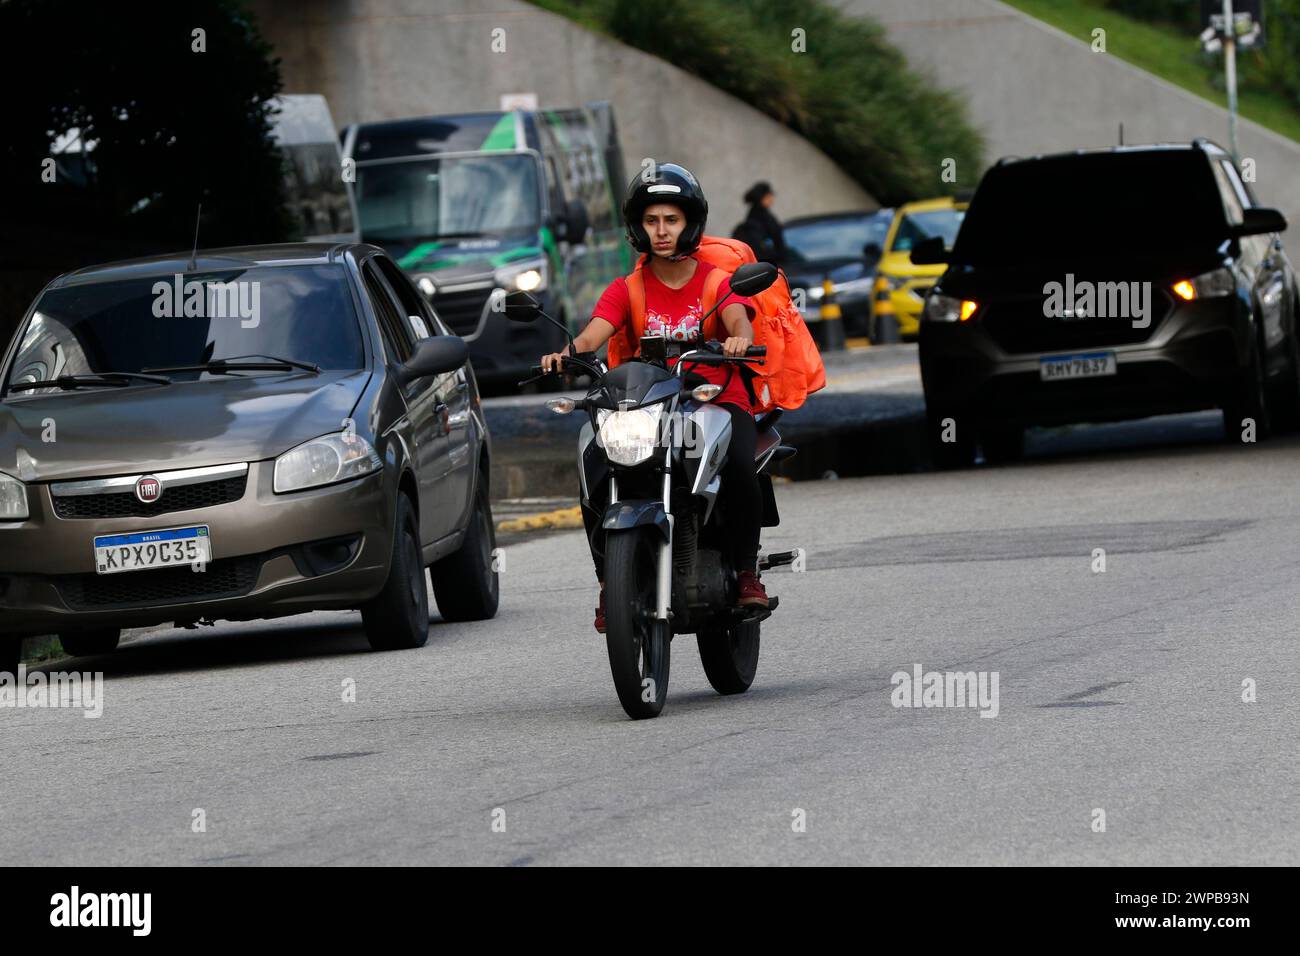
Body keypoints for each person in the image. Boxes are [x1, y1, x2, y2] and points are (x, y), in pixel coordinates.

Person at [540, 163, 769, 633]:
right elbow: (592, 336)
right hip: (649, 405)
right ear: (638, 227)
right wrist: (564, 356)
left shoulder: (714, 282)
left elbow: (739, 319)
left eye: (671, 220)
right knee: (593, 462)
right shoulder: (628, 288)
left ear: (690, 224)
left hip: (715, 399)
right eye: (651, 221)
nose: (661, 231)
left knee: (743, 463)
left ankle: (746, 572)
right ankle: (611, 582)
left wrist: (739, 340)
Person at [732, 181, 786, 266]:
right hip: (768, 265)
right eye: (769, 196)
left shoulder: (754, 216)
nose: (772, 199)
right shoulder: (763, 218)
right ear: (763, 198)